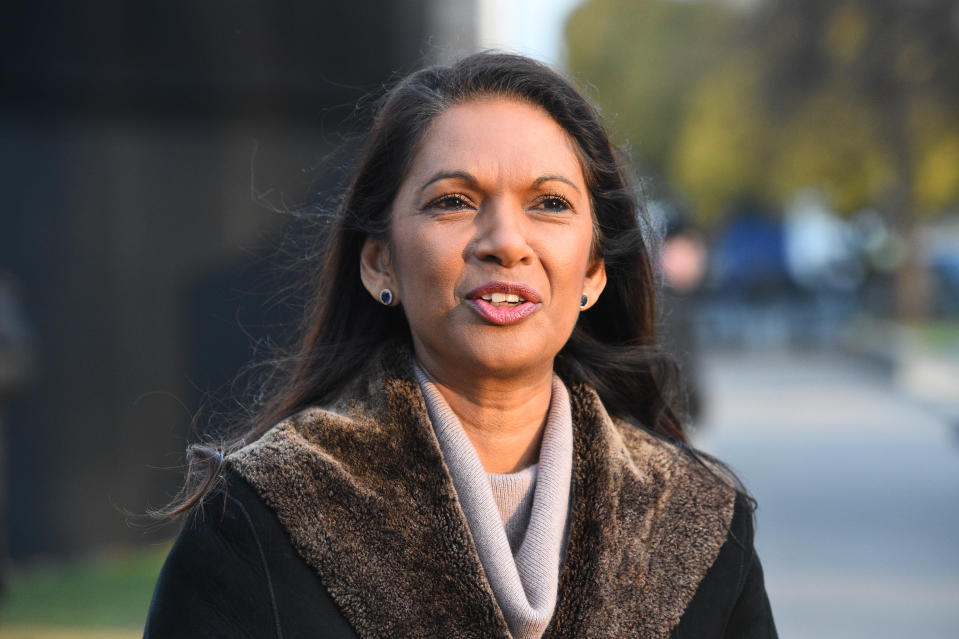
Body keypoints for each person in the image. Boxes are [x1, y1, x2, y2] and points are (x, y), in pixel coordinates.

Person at [144, 52, 777, 638]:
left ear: (592, 272)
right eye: (453, 202)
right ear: (379, 263)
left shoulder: (696, 521)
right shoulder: (260, 518)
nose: (505, 240)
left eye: (550, 203)